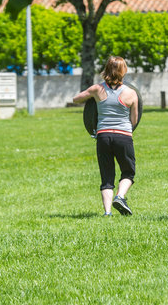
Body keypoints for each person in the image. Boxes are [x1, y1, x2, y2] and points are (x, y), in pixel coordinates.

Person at [73, 56, 139, 217]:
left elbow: (76, 99)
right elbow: (134, 120)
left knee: (106, 175)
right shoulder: (131, 93)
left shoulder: (97, 89)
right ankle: (120, 196)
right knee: (128, 173)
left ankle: (107, 212)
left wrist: (91, 98)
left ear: (106, 70)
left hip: (103, 136)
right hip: (123, 136)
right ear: (124, 71)